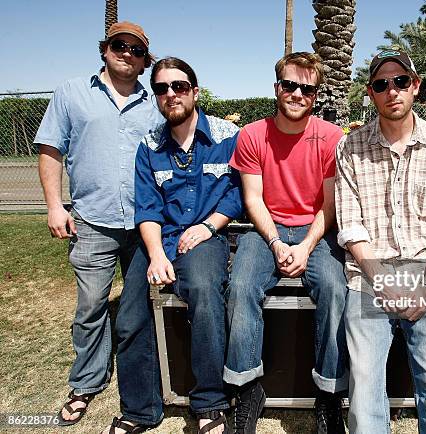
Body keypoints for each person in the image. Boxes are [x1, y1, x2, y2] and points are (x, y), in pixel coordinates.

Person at [100, 57, 243, 434]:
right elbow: (146, 208)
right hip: (158, 239)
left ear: (194, 91)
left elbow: (238, 193)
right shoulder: (149, 146)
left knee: (204, 293)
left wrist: (210, 227)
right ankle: (141, 410)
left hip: (206, 236)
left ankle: (209, 403)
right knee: (130, 316)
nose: (170, 94)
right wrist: (157, 255)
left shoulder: (228, 135)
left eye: (179, 86)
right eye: (161, 88)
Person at [34, 21, 160, 426]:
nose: (128, 53)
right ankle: (87, 381)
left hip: (145, 225)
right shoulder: (72, 93)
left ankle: (146, 377)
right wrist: (55, 206)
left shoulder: (157, 100)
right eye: (120, 45)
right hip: (92, 221)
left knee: (141, 307)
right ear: (105, 49)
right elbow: (51, 149)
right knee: (91, 307)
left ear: (145, 62)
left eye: (137, 50)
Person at [335, 49, 426, 434]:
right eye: (381, 84)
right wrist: (381, 281)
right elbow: (351, 225)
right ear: (372, 93)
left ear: (416, 86)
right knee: (364, 382)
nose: (392, 90)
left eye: (400, 81)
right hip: (369, 275)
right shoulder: (349, 147)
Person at [224, 52, 349, 434]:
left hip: (316, 230)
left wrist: (306, 247)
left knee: (334, 287)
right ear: (277, 87)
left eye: (306, 88)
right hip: (266, 230)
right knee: (241, 285)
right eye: (290, 85)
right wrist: (277, 243)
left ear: (316, 94)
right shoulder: (251, 135)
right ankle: (247, 391)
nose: (297, 93)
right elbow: (253, 199)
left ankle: (328, 395)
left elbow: (329, 205)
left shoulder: (330, 138)